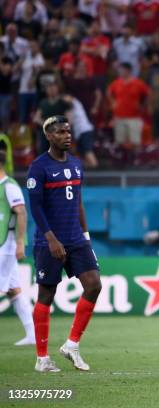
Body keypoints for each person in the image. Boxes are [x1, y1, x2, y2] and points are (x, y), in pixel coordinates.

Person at [26, 115, 102, 372]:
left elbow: (78, 201)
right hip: (50, 241)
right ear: (49, 136)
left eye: (68, 131)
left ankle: (72, 345)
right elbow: (35, 207)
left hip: (76, 239)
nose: (67, 136)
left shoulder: (77, 164)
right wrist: (50, 239)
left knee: (94, 285)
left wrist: (86, 236)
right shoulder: (39, 167)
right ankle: (42, 358)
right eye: (60, 132)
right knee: (46, 295)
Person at [0, 148, 34, 346]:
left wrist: (20, 242)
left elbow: (21, 212)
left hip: (7, 244)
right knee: (14, 289)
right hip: (3, 243)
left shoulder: (10, 186)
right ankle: (32, 334)